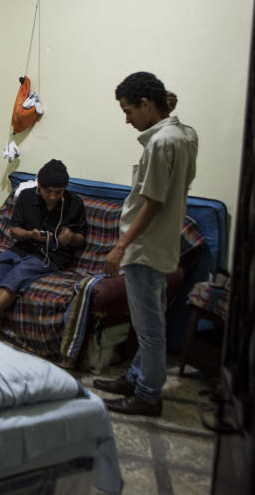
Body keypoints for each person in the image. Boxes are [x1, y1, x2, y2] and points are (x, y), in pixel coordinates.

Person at [95, 73, 198, 417]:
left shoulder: (161, 143)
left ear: (147, 104)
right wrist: (169, 105)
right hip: (163, 244)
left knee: (149, 328)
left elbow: (153, 202)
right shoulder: (184, 134)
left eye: (129, 111)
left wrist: (121, 246)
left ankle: (148, 396)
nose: (127, 119)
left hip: (145, 246)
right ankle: (137, 378)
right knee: (149, 321)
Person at [0, 159, 87, 331]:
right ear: (39, 185)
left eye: (58, 192)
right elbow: (14, 231)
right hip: (23, 248)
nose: (53, 197)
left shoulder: (75, 203)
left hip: (52, 256)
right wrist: (31, 235)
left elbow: (81, 240)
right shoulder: (26, 197)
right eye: (48, 192)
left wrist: (71, 237)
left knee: (19, 273)